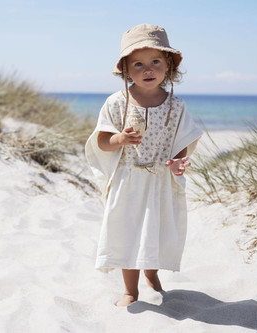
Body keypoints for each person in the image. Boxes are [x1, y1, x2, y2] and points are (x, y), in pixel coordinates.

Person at [85, 24, 203, 306]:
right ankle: (130, 291)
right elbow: (101, 141)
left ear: (168, 67)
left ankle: (152, 275)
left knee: (156, 230)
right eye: (138, 64)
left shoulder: (176, 105)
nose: (147, 69)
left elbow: (182, 139)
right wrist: (120, 138)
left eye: (155, 62)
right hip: (129, 180)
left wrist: (177, 162)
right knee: (128, 232)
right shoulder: (117, 103)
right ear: (125, 69)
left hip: (161, 180)